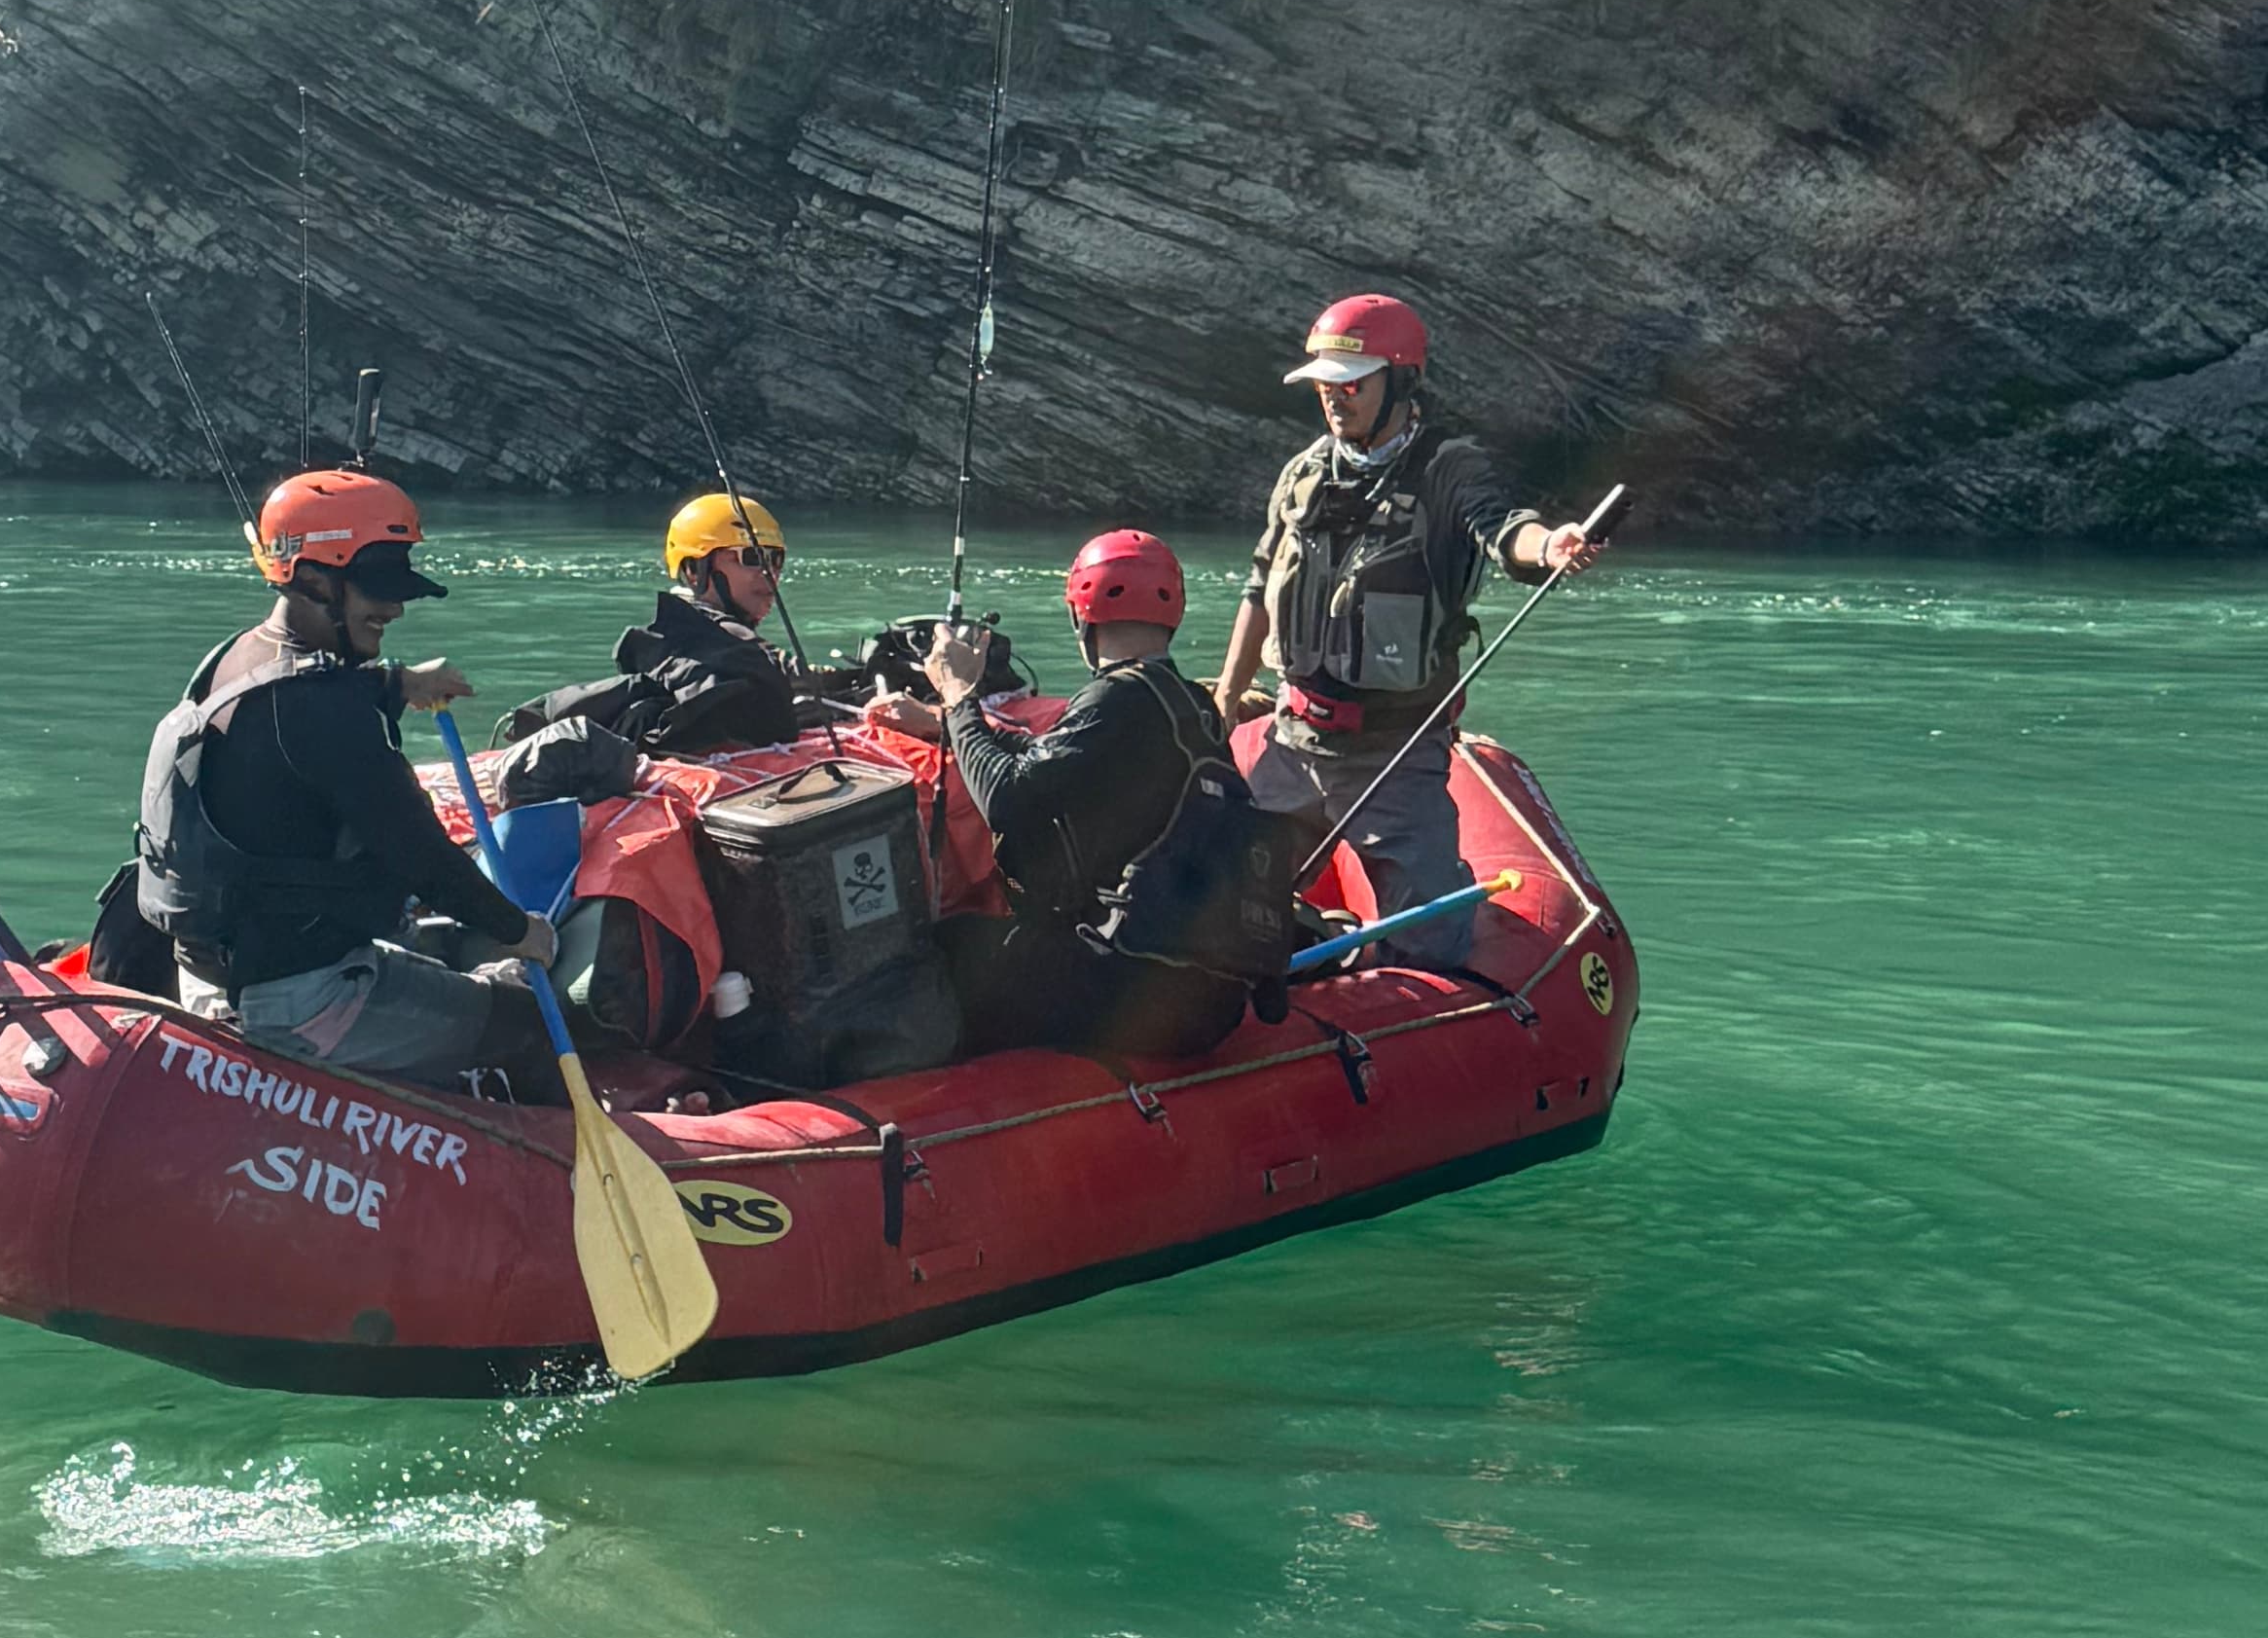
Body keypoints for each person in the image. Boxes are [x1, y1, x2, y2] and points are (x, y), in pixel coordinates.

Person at [133, 466, 563, 1100]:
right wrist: (524, 933)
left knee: (444, 944)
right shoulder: (328, 713)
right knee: (528, 1021)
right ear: (310, 579)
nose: (393, 606)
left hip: (212, 974)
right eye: (375, 587)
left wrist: (398, 684)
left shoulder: (235, 658)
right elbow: (427, 861)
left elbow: (299, 717)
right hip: (296, 1004)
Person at [1212, 290, 1600, 950]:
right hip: (1292, 740)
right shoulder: (1302, 473)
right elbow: (1257, 589)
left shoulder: (1451, 470)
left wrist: (1548, 545)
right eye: (1325, 386)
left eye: (1352, 385)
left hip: (1394, 754)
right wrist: (1226, 697)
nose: (1335, 398)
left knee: (1433, 947)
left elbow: (1504, 529)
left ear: (1400, 382)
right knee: (1214, 907)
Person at [896, 532, 1280, 1073]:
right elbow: (1052, 764)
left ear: (1083, 616)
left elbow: (1005, 798)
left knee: (948, 947)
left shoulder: (1115, 698)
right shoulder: (1186, 701)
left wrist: (959, 697)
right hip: (1208, 999)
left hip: (1138, 992)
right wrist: (951, 724)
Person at [502, 490, 880, 767]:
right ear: (693, 570)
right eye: (752, 558)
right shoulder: (710, 651)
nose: (770, 573)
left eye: (776, 559)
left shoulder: (691, 639)